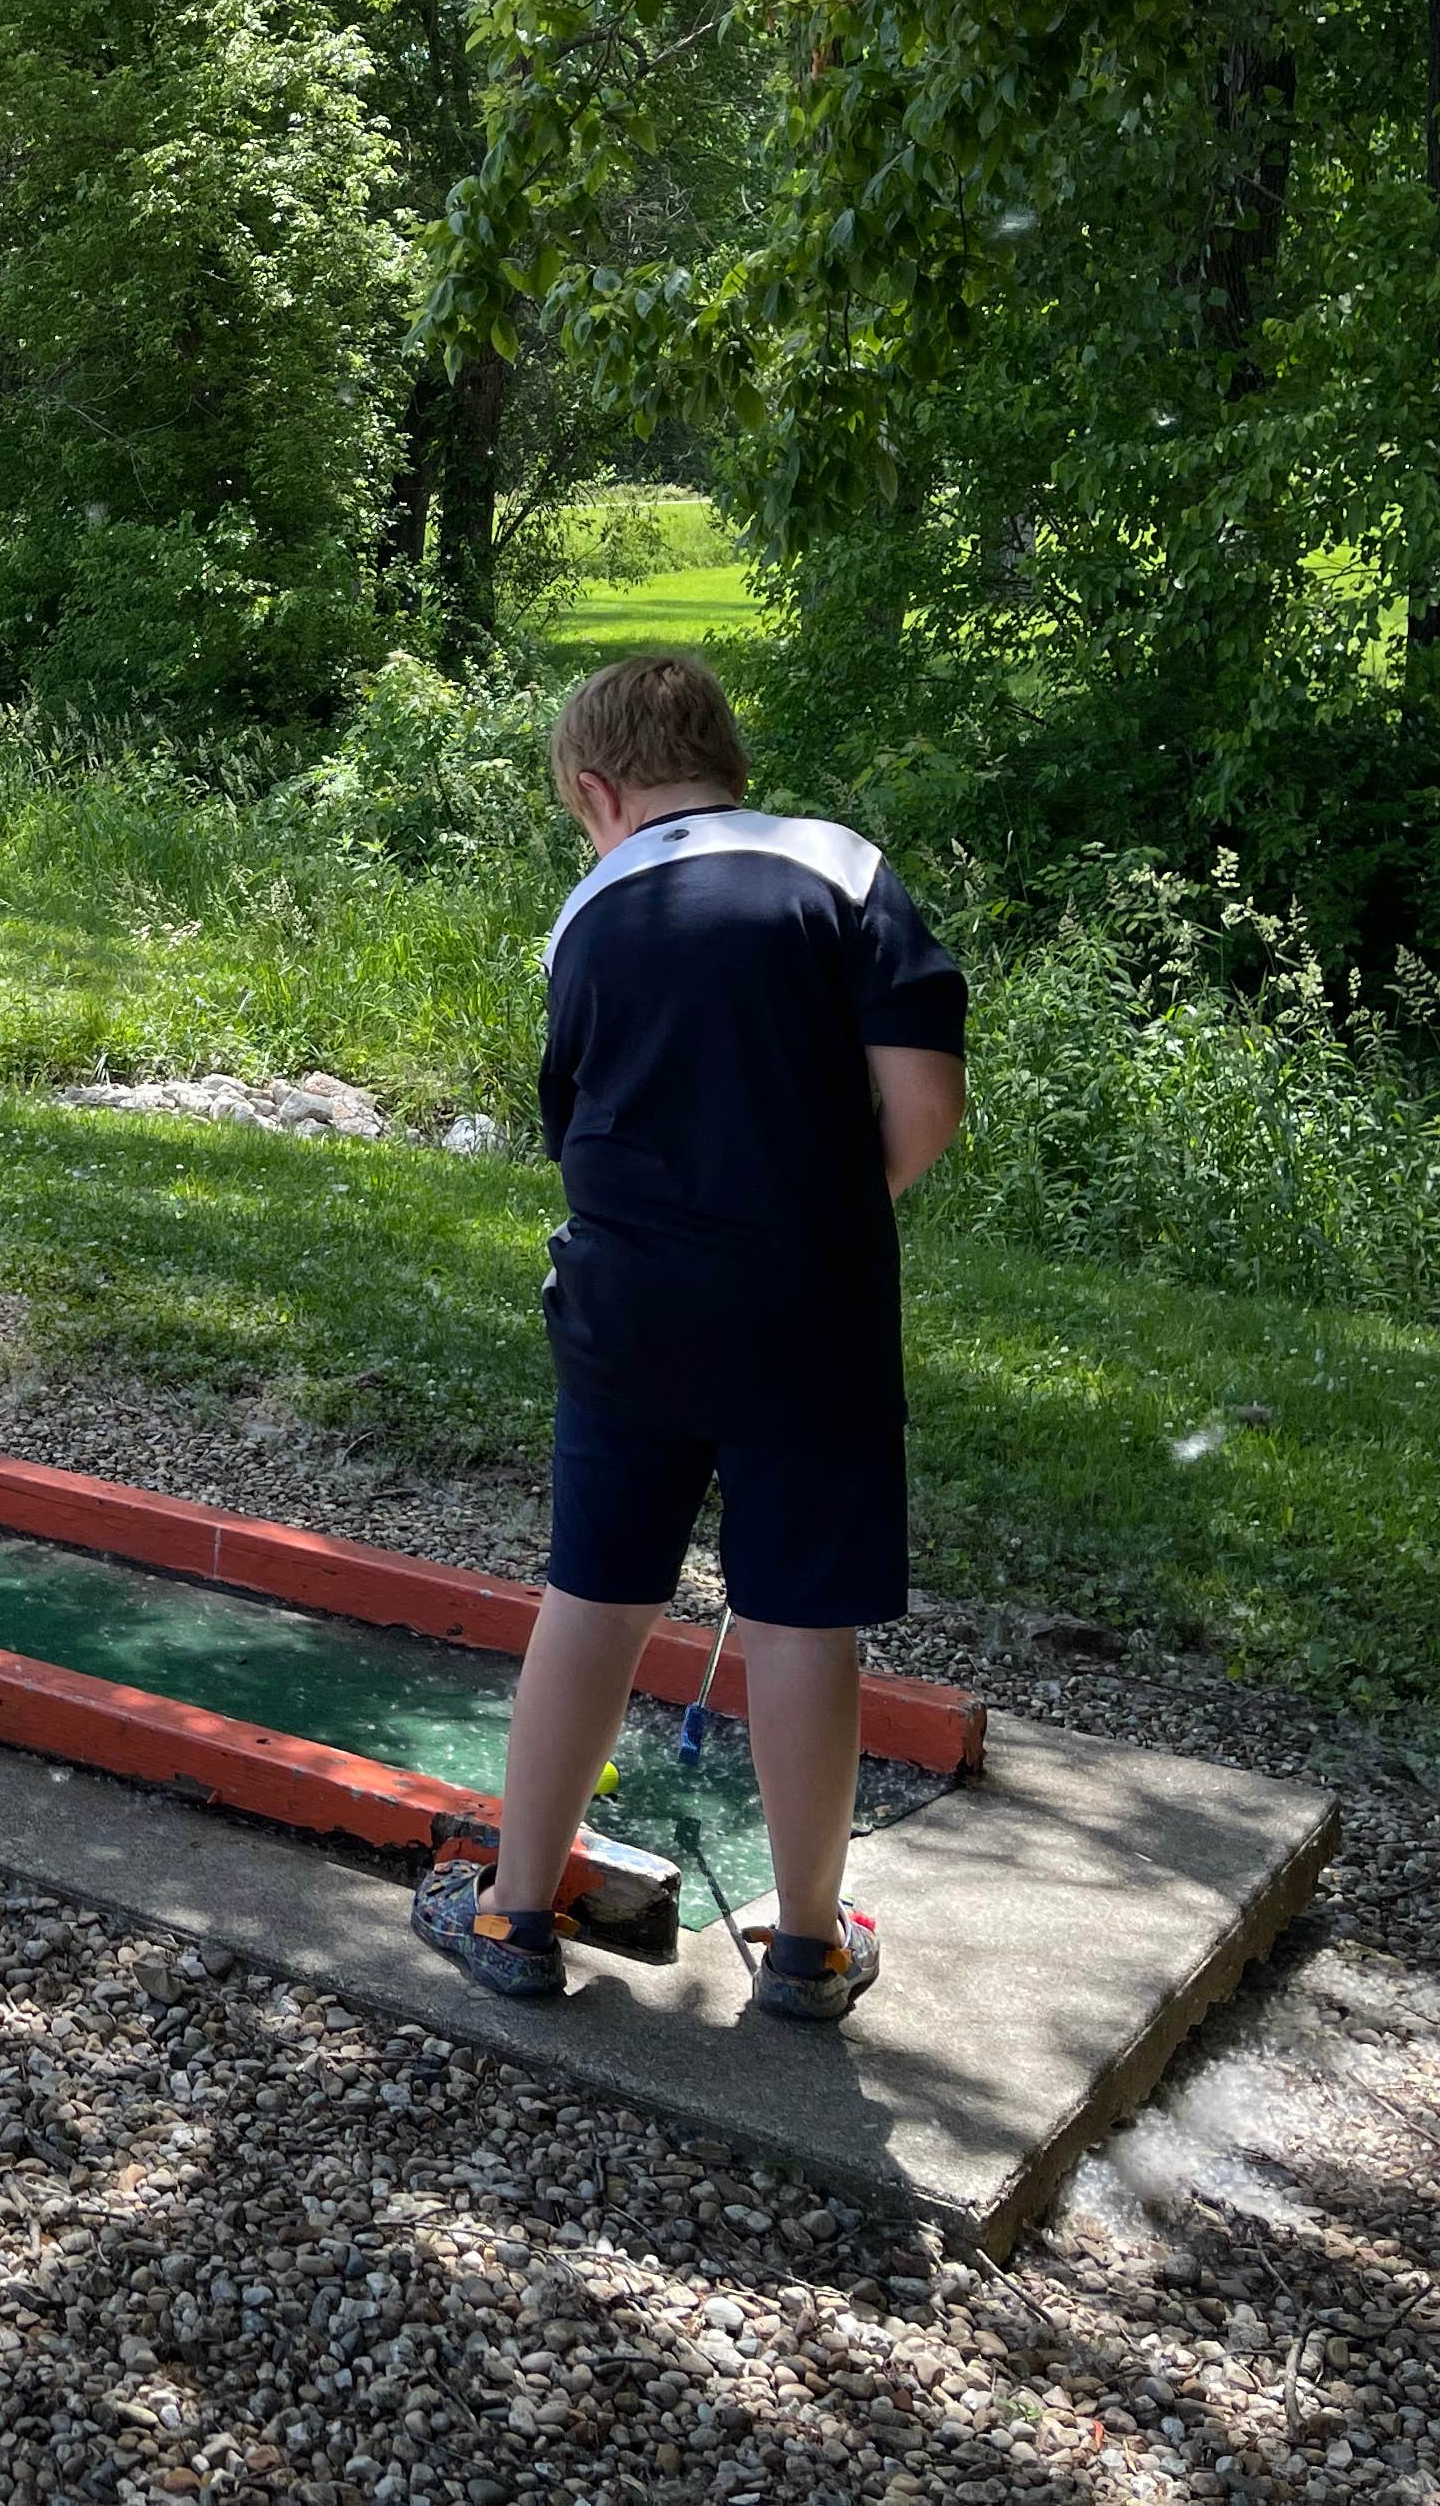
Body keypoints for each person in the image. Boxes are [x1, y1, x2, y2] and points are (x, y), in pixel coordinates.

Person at [414, 651, 966, 2021]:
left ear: (595, 792)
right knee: (797, 1615)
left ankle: (517, 1910)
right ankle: (809, 1945)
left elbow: (582, 1125)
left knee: (595, 1592)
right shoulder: (844, 870)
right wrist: (826, 1216)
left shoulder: (593, 909)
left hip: (630, 1303)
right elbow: (926, 1099)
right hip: (813, 1304)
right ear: (730, 767)